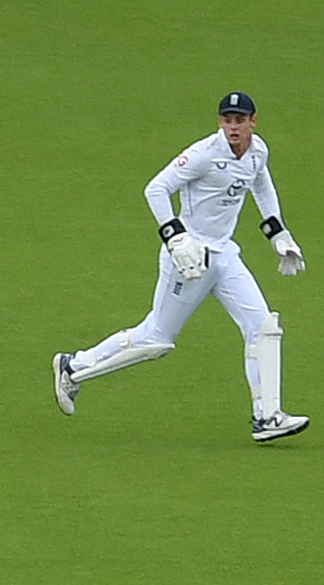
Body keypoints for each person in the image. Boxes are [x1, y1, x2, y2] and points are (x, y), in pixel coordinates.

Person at [54, 91, 307, 442]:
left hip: (224, 255)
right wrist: (176, 238)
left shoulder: (258, 151)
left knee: (262, 326)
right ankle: (73, 365)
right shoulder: (204, 154)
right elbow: (156, 189)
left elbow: (261, 184)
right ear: (221, 122)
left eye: (240, 119)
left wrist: (278, 234)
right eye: (227, 119)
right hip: (189, 258)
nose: (233, 126)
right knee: (156, 339)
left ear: (253, 121)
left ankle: (267, 417)